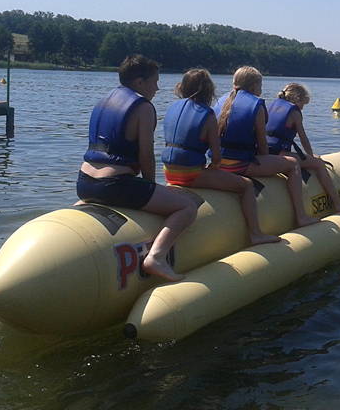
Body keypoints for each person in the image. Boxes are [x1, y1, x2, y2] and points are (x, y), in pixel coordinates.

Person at [77, 54, 198, 282]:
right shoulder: (143, 107)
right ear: (139, 82)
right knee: (187, 208)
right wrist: (151, 187)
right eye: (154, 81)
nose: (157, 87)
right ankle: (156, 257)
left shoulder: (104, 101)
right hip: (114, 185)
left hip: (84, 183)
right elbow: (145, 155)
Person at [162, 68, 280, 245]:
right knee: (246, 186)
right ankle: (255, 234)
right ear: (209, 90)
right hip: (191, 174)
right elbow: (216, 157)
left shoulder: (172, 107)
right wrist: (214, 171)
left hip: (167, 172)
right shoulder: (206, 114)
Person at [214, 66, 319, 229]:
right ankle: (301, 216)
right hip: (239, 164)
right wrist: (269, 160)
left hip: (217, 164)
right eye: (261, 86)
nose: (261, 90)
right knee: (293, 164)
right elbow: (262, 147)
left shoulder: (221, 100)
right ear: (255, 86)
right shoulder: (257, 105)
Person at [267, 83, 340, 213]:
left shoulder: (271, 106)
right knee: (318, 164)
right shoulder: (294, 112)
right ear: (297, 99)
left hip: (265, 153)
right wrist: (311, 157)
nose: (302, 108)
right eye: (303, 104)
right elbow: (303, 139)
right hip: (279, 154)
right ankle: (338, 203)